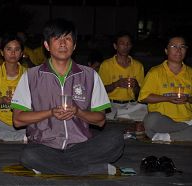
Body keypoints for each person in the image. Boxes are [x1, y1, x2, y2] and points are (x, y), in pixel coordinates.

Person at [11, 18, 124, 176]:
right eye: (57, 39)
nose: (63, 43)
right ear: (46, 45)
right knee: (29, 155)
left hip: (80, 146)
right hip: (44, 145)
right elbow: (18, 119)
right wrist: (50, 112)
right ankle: (90, 169)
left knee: (115, 138)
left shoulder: (90, 76)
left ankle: (53, 165)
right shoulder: (31, 76)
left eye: (68, 38)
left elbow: (100, 119)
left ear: (75, 45)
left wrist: (78, 112)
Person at [138, 35, 192, 142]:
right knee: (151, 119)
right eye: (174, 46)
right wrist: (167, 98)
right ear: (166, 51)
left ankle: (164, 137)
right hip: (163, 122)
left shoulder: (190, 73)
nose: (178, 50)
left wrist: (188, 99)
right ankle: (183, 134)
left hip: (187, 119)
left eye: (182, 47)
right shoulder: (155, 72)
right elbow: (144, 97)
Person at [98, 32, 147, 124]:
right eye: (122, 43)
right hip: (111, 103)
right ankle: (122, 116)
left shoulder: (138, 66)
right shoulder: (106, 65)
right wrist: (116, 84)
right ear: (115, 46)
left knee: (146, 110)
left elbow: (140, 94)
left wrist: (135, 85)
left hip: (130, 104)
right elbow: (100, 90)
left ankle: (120, 116)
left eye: (128, 44)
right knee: (99, 111)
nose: (126, 46)